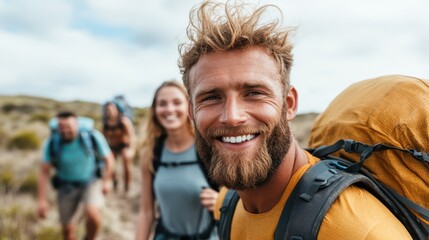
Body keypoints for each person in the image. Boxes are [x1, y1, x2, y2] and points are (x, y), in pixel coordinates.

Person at [178, 1, 413, 239]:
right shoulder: (228, 203)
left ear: (289, 104)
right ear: (191, 113)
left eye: (254, 93)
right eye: (211, 97)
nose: (232, 116)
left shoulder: (358, 230)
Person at [136, 80, 219, 240]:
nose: (169, 109)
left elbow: (242, 203)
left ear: (189, 107)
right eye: (162, 104)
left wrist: (222, 203)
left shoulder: (209, 149)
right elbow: (146, 212)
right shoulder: (151, 153)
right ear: (155, 110)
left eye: (176, 103)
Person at [37, 111, 114, 240]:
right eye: (61, 127)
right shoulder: (52, 143)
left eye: (69, 126)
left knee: (92, 213)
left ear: (77, 124)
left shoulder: (92, 136)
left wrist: (107, 180)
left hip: (91, 181)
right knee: (67, 230)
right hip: (65, 185)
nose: (65, 130)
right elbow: (44, 172)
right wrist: (41, 201)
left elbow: (109, 159)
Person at [102, 100, 136, 193]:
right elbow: (103, 138)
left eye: (112, 108)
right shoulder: (106, 123)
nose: (110, 111)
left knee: (126, 160)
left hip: (124, 145)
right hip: (112, 146)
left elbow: (132, 136)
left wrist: (131, 150)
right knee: (110, 163)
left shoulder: (124, 121)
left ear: (117, 110)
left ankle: (127, 185)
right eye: (108, 109)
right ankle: (114, 181)